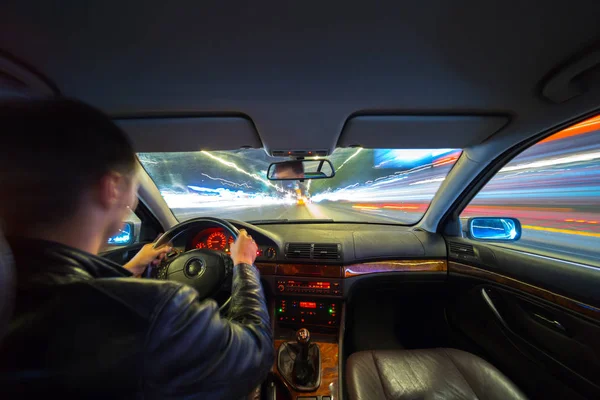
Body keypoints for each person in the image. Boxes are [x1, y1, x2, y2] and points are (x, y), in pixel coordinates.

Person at [0, 98, 274, 398]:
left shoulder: (13, 291)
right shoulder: (158, 313)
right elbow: (255, 353)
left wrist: (128, 271)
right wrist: (244, 266)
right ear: (112, 188)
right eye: (133, 184)